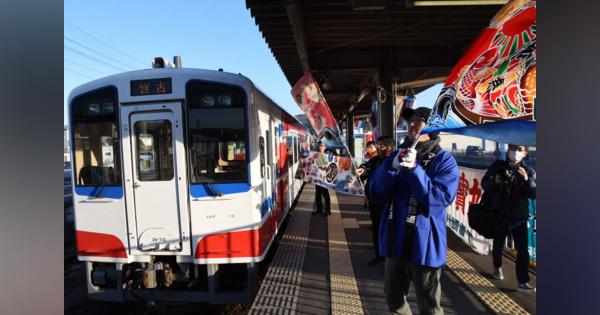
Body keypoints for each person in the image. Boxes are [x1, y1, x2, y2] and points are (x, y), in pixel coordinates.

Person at [369, 107, 459, 315]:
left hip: (424, 243)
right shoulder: (398, 154)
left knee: (429, 307)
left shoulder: (444, 160)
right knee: (393, 299)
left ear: (433, 128)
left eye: (419, 119)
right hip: (395, 239)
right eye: (410, 119)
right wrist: (390, 167)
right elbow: (375, 193)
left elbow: (438, 200)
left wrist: (415, 170)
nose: (412, 123)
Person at [481, 144, 536, 293]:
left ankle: (523, 281)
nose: (515, 152)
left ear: (525, 153)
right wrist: (495, 181)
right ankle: (497, 267)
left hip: (520, 217)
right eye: (512, 148)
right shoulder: (497, 167)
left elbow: (534, 194)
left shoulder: (529, 171)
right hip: (500, 215)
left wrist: (527, 180)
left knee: (523, 250)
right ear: (507, 150)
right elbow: (484, 183)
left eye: (519, 149)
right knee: (498, 245)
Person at [357, 136, 395, 266]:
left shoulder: (395, 160)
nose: (378, 149)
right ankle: (379, 255)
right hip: (375, 202)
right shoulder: (376, 160)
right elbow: (366, 167)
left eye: (381, 146)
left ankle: (389, 258)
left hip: (389, 203)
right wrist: (362, 169)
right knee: (376, 229)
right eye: (378, 146)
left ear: (389, 147)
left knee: (389, 231)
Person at [313, 141, 332, 217]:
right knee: (318, 194)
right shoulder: (315, 155)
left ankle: (328, 210)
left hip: (324, 179)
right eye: (320, 146)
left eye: (322, 146)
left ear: (325, 147)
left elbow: (330, 165)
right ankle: (319, 210)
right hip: (317, 178)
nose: (320, 147)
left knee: (325, 194)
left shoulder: (328, 155)